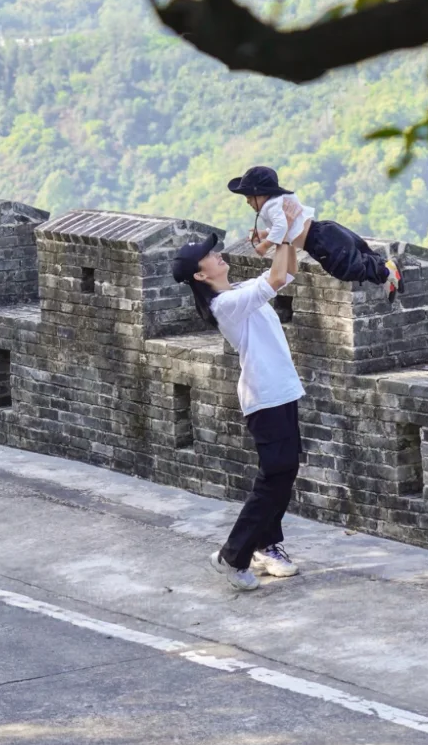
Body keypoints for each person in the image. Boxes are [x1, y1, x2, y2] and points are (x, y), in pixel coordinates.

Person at [171, 217, 305, 592]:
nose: (216, 255)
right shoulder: (225, 304)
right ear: (200, 276)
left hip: (282, 391)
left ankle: (265, 544)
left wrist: (288, 237)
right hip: (264, 397)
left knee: (284, 471)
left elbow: (287, 271)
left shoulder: (241, 290)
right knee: (272, 477)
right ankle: (233, 556)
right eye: (208, 256)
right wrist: (280, 234)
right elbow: (276, 279)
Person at [227, 164, 404, 300]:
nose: (248, 202)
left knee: (348, 268)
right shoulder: (277, 202)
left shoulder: (271, 206)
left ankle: (387, 271)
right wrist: (265, 233)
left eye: (250, 197)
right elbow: (282, 226)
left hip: (320, 240)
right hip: (324, 232)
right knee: (359, 253)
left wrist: (265, 245)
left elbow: (282, 228)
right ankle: (385, 275)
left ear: (261, 194)